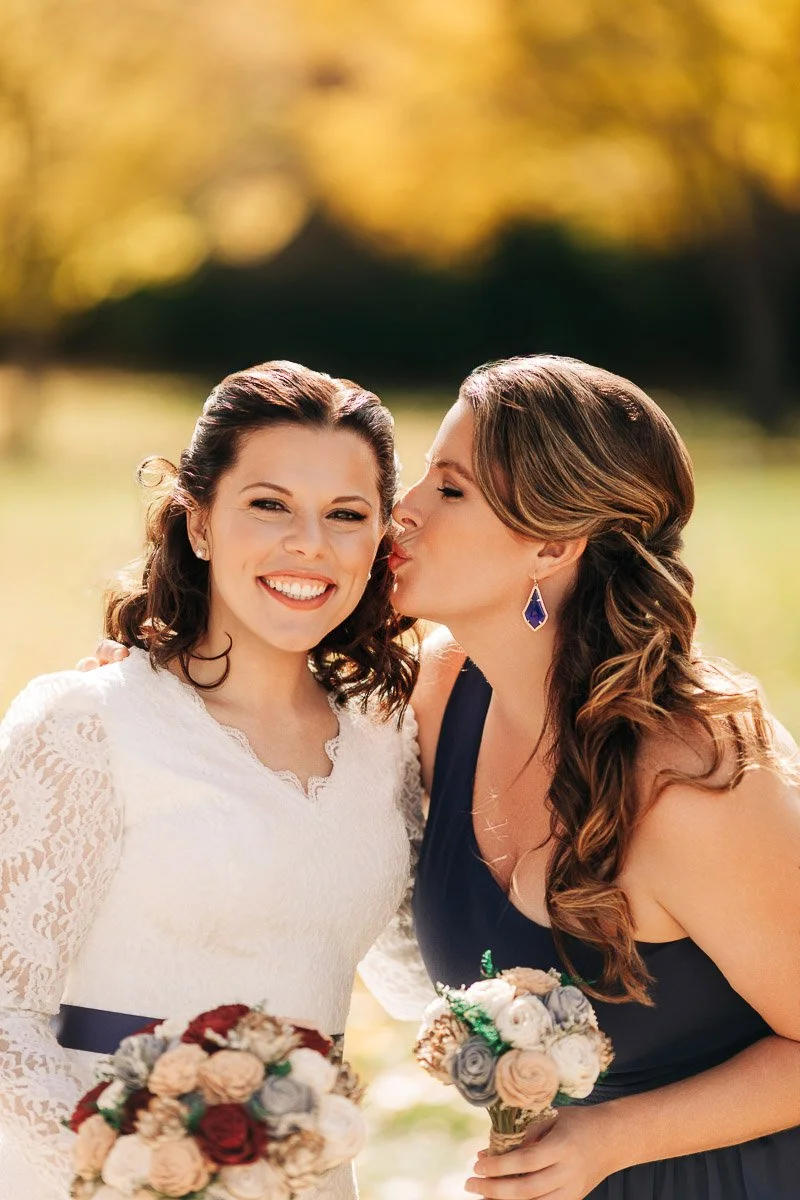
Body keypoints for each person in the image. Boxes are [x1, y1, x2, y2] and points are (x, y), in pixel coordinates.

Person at [0, 361, 425, 1200]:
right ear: (198, 522)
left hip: (312, 1181)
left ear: (380, 539)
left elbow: (411, 979)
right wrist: (146, 1177)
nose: (309, 543)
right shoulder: (89, 721)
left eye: (346, 515)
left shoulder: (389, 737)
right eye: (269, 505)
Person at [387, 355, 800, 1199]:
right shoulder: (440, 694)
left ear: (553, 542)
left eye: (452, 490)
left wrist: (615, 1137)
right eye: (423, 478)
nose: (406, 508)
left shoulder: (686, 782)